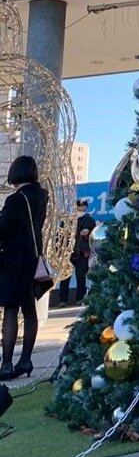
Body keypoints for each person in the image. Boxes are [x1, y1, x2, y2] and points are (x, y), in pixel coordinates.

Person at [0, 155, 49, 380]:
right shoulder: (41, 196)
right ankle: (26, 360)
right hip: (34, 261)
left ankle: (7, 364)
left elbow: (3, 229)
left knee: (10, 310)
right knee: (29, 310)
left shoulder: (16, 199)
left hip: (13, 262)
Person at [57, 198, 96, 306]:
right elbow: (59, 235)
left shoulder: (89, 220)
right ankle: (62, 300)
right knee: (65, 276)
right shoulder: (67, 220)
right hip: (68, 252)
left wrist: (87, 234)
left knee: (80, 276)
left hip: (82, 252)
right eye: (79, 208)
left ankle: (80, 298)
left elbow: (94, 236)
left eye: (83, 208)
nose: (81, 210)